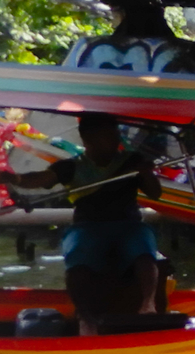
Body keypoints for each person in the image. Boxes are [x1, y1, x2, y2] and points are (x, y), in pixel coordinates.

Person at [0, 112, 164, 333]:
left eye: (115, 135)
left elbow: (155, 194)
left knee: (143, 250)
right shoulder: (70, 166)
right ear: (88, 140)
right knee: (78, 262)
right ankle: (86, 318)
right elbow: (40, 179)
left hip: (128, 224)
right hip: (88, 227)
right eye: (108, 136)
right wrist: (15, 179)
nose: (115, 140)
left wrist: (147, 174)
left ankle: (148, 305)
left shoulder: (131, 161)